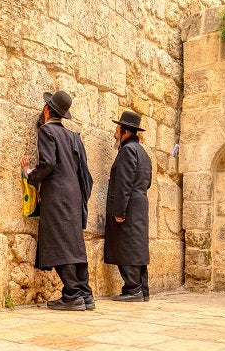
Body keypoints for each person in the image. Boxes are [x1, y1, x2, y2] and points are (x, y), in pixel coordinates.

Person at [21, 90, 95, 310]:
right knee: (74, 243)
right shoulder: (73, 137)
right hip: (74, 196)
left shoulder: (46, 131)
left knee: (59, 244)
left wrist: (30, 174)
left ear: (46, 110)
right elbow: (84, 171)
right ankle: (85, 294)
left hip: (57, 195)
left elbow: (48, 163)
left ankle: (72, 295)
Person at [104, 110, 152, 302]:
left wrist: (119, 211)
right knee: (137, 246)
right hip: (139, 204)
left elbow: (124, 182)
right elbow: (146, 182)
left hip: (129, 205)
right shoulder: (143, 153)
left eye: (117, 131)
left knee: (127, 246)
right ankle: (140, 289)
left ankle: (133, 289)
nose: (115, 135)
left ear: (125, 132)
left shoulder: (127, 150)